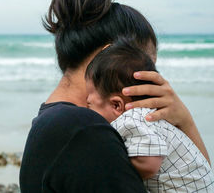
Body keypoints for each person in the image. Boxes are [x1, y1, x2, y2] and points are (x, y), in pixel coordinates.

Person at [19, 0, 211, 193]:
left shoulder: (59, 123)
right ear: (109, 55)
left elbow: (197, 181)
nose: (156, 81)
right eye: (146, 66)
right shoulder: (84, 129)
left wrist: (184, 122)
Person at [85, 39, 214, 192]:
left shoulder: (133, 118)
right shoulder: (152, 118)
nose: (87, 109)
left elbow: (150, 164)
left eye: (89, 104)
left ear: (116, 105)